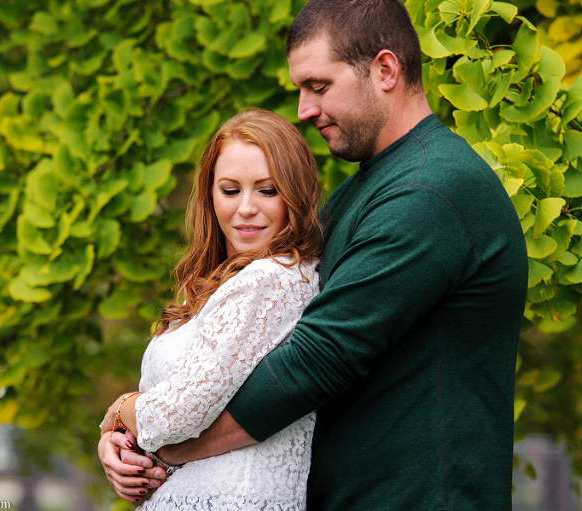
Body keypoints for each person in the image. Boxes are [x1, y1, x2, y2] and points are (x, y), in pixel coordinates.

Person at [100, 0, 529, 509]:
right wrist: (129, 434)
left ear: (385, 70)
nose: (303, 109)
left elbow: (316, 361)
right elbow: (240, 353)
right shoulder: (361, 194)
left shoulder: (433, 193)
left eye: (318, 86)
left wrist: (161, 446)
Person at [99, 108, 324, 508]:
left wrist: (118, 409)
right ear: (210, 194)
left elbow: (177, 413)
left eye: (267, 190)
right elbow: (172, 414)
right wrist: (118, 448)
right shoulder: (217, 284)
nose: (247, 208)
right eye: (230, 190)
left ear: (296, 193)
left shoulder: (272, 279)